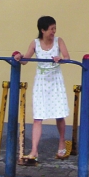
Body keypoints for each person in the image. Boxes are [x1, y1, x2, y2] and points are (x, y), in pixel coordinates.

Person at [14, 16, 70, 162]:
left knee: (59, 114)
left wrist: (60, 59)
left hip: (55, 80)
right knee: (38, 117)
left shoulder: (59, 41)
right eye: (51, 29)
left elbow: (67, 57)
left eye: (55, 28)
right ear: (42, 30)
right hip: (41, 82)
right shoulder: (35, 43)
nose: (54, 31)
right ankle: (34, 150)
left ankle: (62, 141)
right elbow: (25, 60)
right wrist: (19, 57)